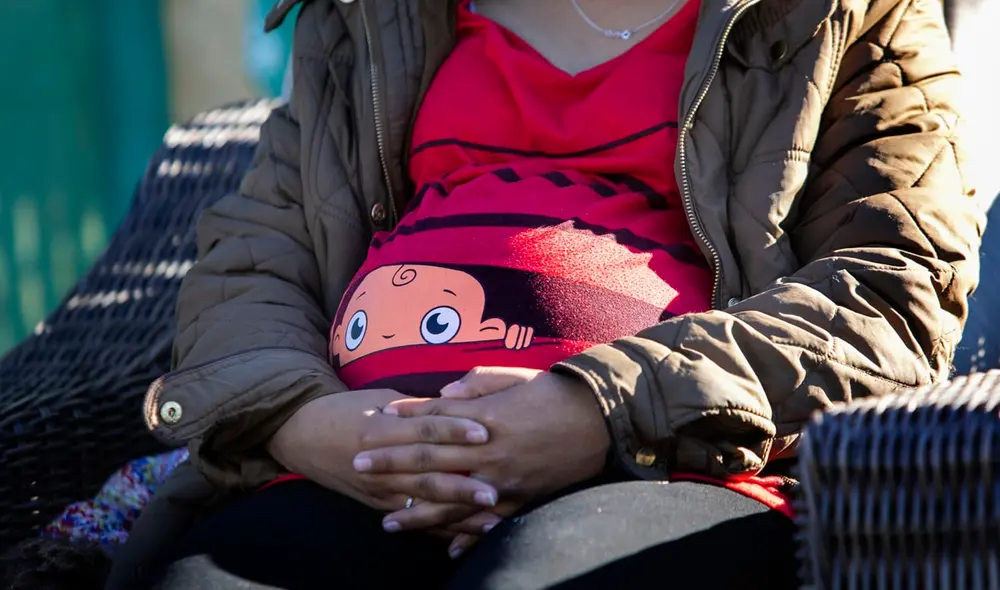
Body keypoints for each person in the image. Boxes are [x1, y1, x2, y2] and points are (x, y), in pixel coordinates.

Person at [107, 0, 982, 588]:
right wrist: (305, 420)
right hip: (354, 470)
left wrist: (600, 412)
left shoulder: (847, 14)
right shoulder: (371, 13)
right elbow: (252, 260)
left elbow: (893, 293)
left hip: (670, 466)